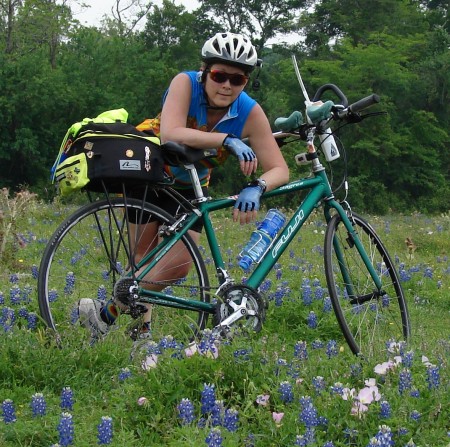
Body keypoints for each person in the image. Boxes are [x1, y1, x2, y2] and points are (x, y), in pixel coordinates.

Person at [78, 32, 289, 340]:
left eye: (238, 79)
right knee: (141, 257)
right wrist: (226, 139)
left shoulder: (249, 111)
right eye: (219, 75)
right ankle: (141, 332)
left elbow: (279, 168)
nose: (227, 85)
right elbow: (172, 134)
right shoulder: (185, 83)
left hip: (192, 185)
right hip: (150, 171)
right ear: (205, 71)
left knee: (176, 266)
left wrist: (257, 185)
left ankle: (106, 313)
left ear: (246, 82)